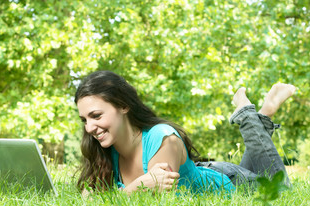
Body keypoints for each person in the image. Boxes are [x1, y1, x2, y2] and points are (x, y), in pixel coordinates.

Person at [75, 70, 295, 194]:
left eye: (96, 116)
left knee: (280, 191)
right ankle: (264, 114)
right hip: (202, 171)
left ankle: (246, 114)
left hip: (232, 183)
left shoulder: (164, 139)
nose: (89, 128)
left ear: (123, 106)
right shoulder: (105, 149)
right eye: (84, 119)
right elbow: (88, 198)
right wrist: (137, 186)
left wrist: (128, 191)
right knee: (258, 171)